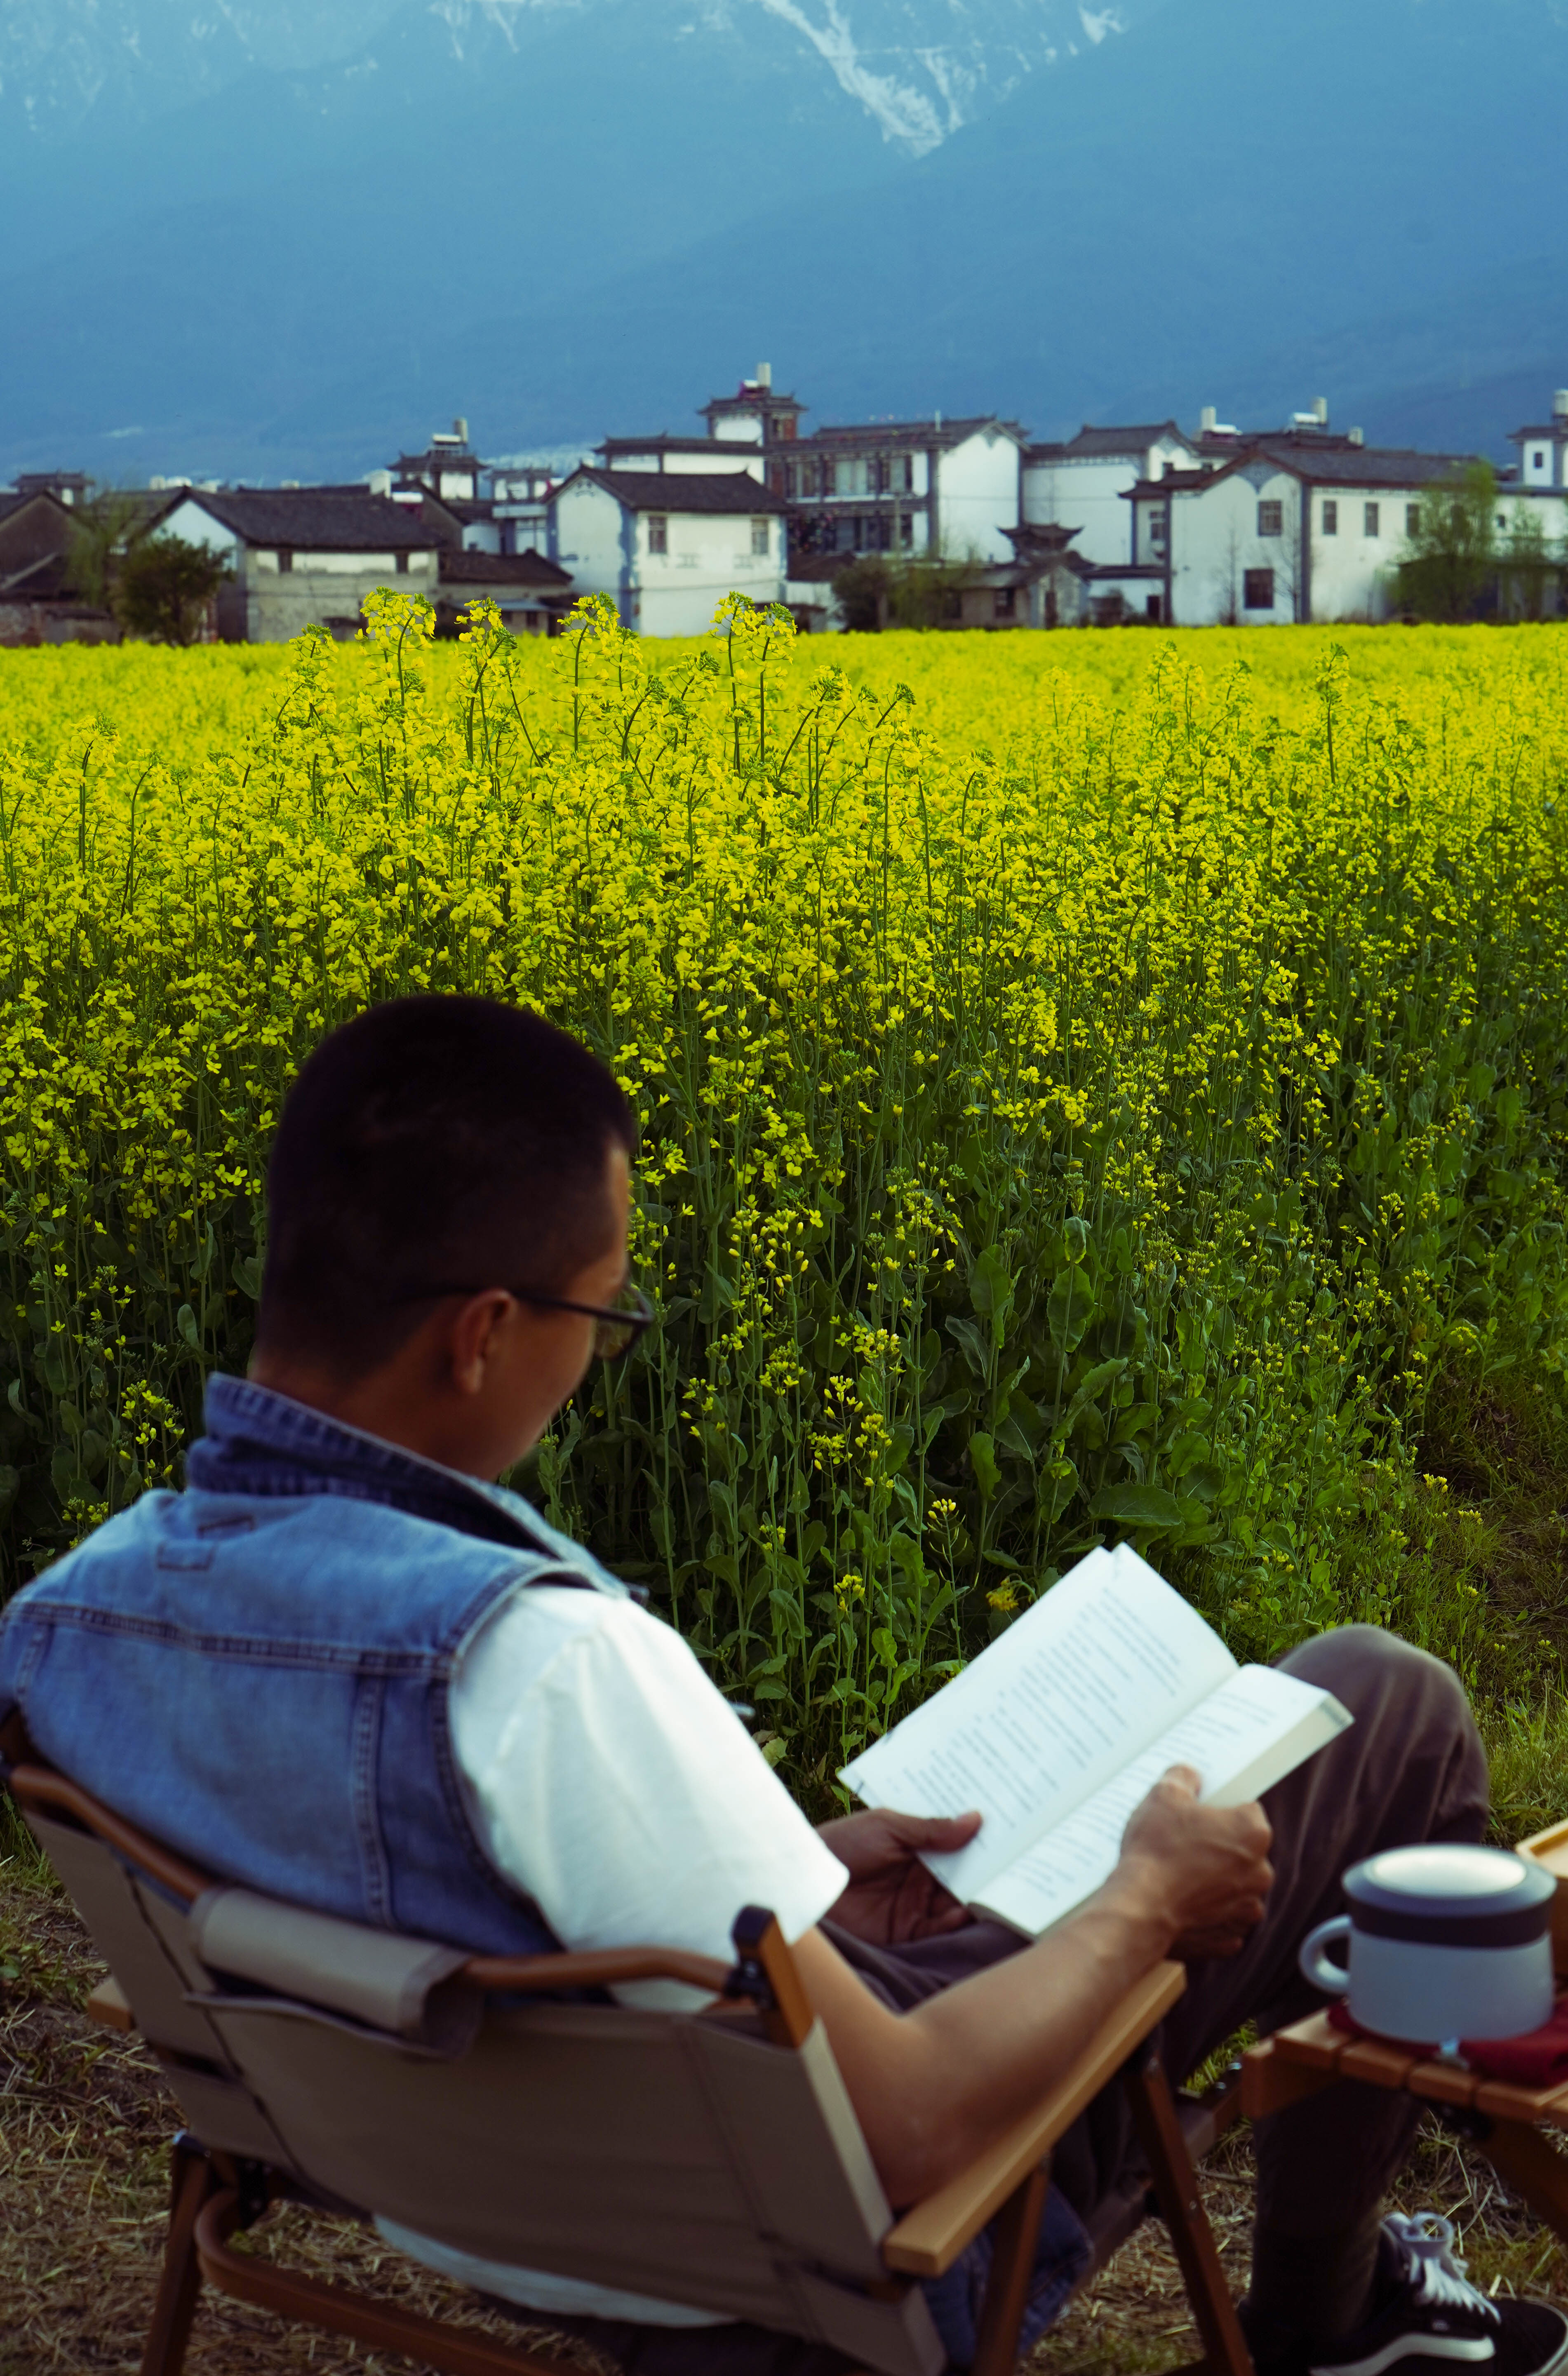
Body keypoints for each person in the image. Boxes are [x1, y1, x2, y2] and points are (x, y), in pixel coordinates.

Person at [0, 995, 1559, 2376]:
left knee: (1315, 1716)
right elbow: (903, 2130)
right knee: (1385, 1706)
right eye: (599, 1316)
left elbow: (423, 1913)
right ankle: (1333, 2327)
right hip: (778, 2249)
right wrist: (1143, 1901)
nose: (594, 1357)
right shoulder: (535, 1666)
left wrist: (791, 1868)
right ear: (481, 1336)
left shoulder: (69, 1622)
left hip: (421, 2161)